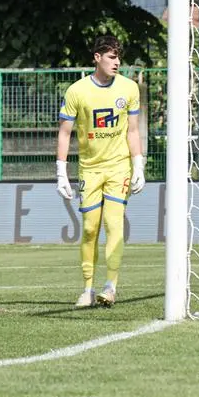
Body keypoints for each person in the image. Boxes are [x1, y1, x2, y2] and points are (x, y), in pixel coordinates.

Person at [56, 35, 145, 308]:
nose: (117, 62)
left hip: (119, 167)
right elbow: (64, 133)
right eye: (111, 57)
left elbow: (132, 130)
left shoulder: (129, 89)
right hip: (89, 169)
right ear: (97, 57)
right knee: (91, 228)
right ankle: (87, 289)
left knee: (114, 223)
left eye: (118, 57)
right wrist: (61, 171)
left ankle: (111, 286)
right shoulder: (77, 91)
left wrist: (138, 164)